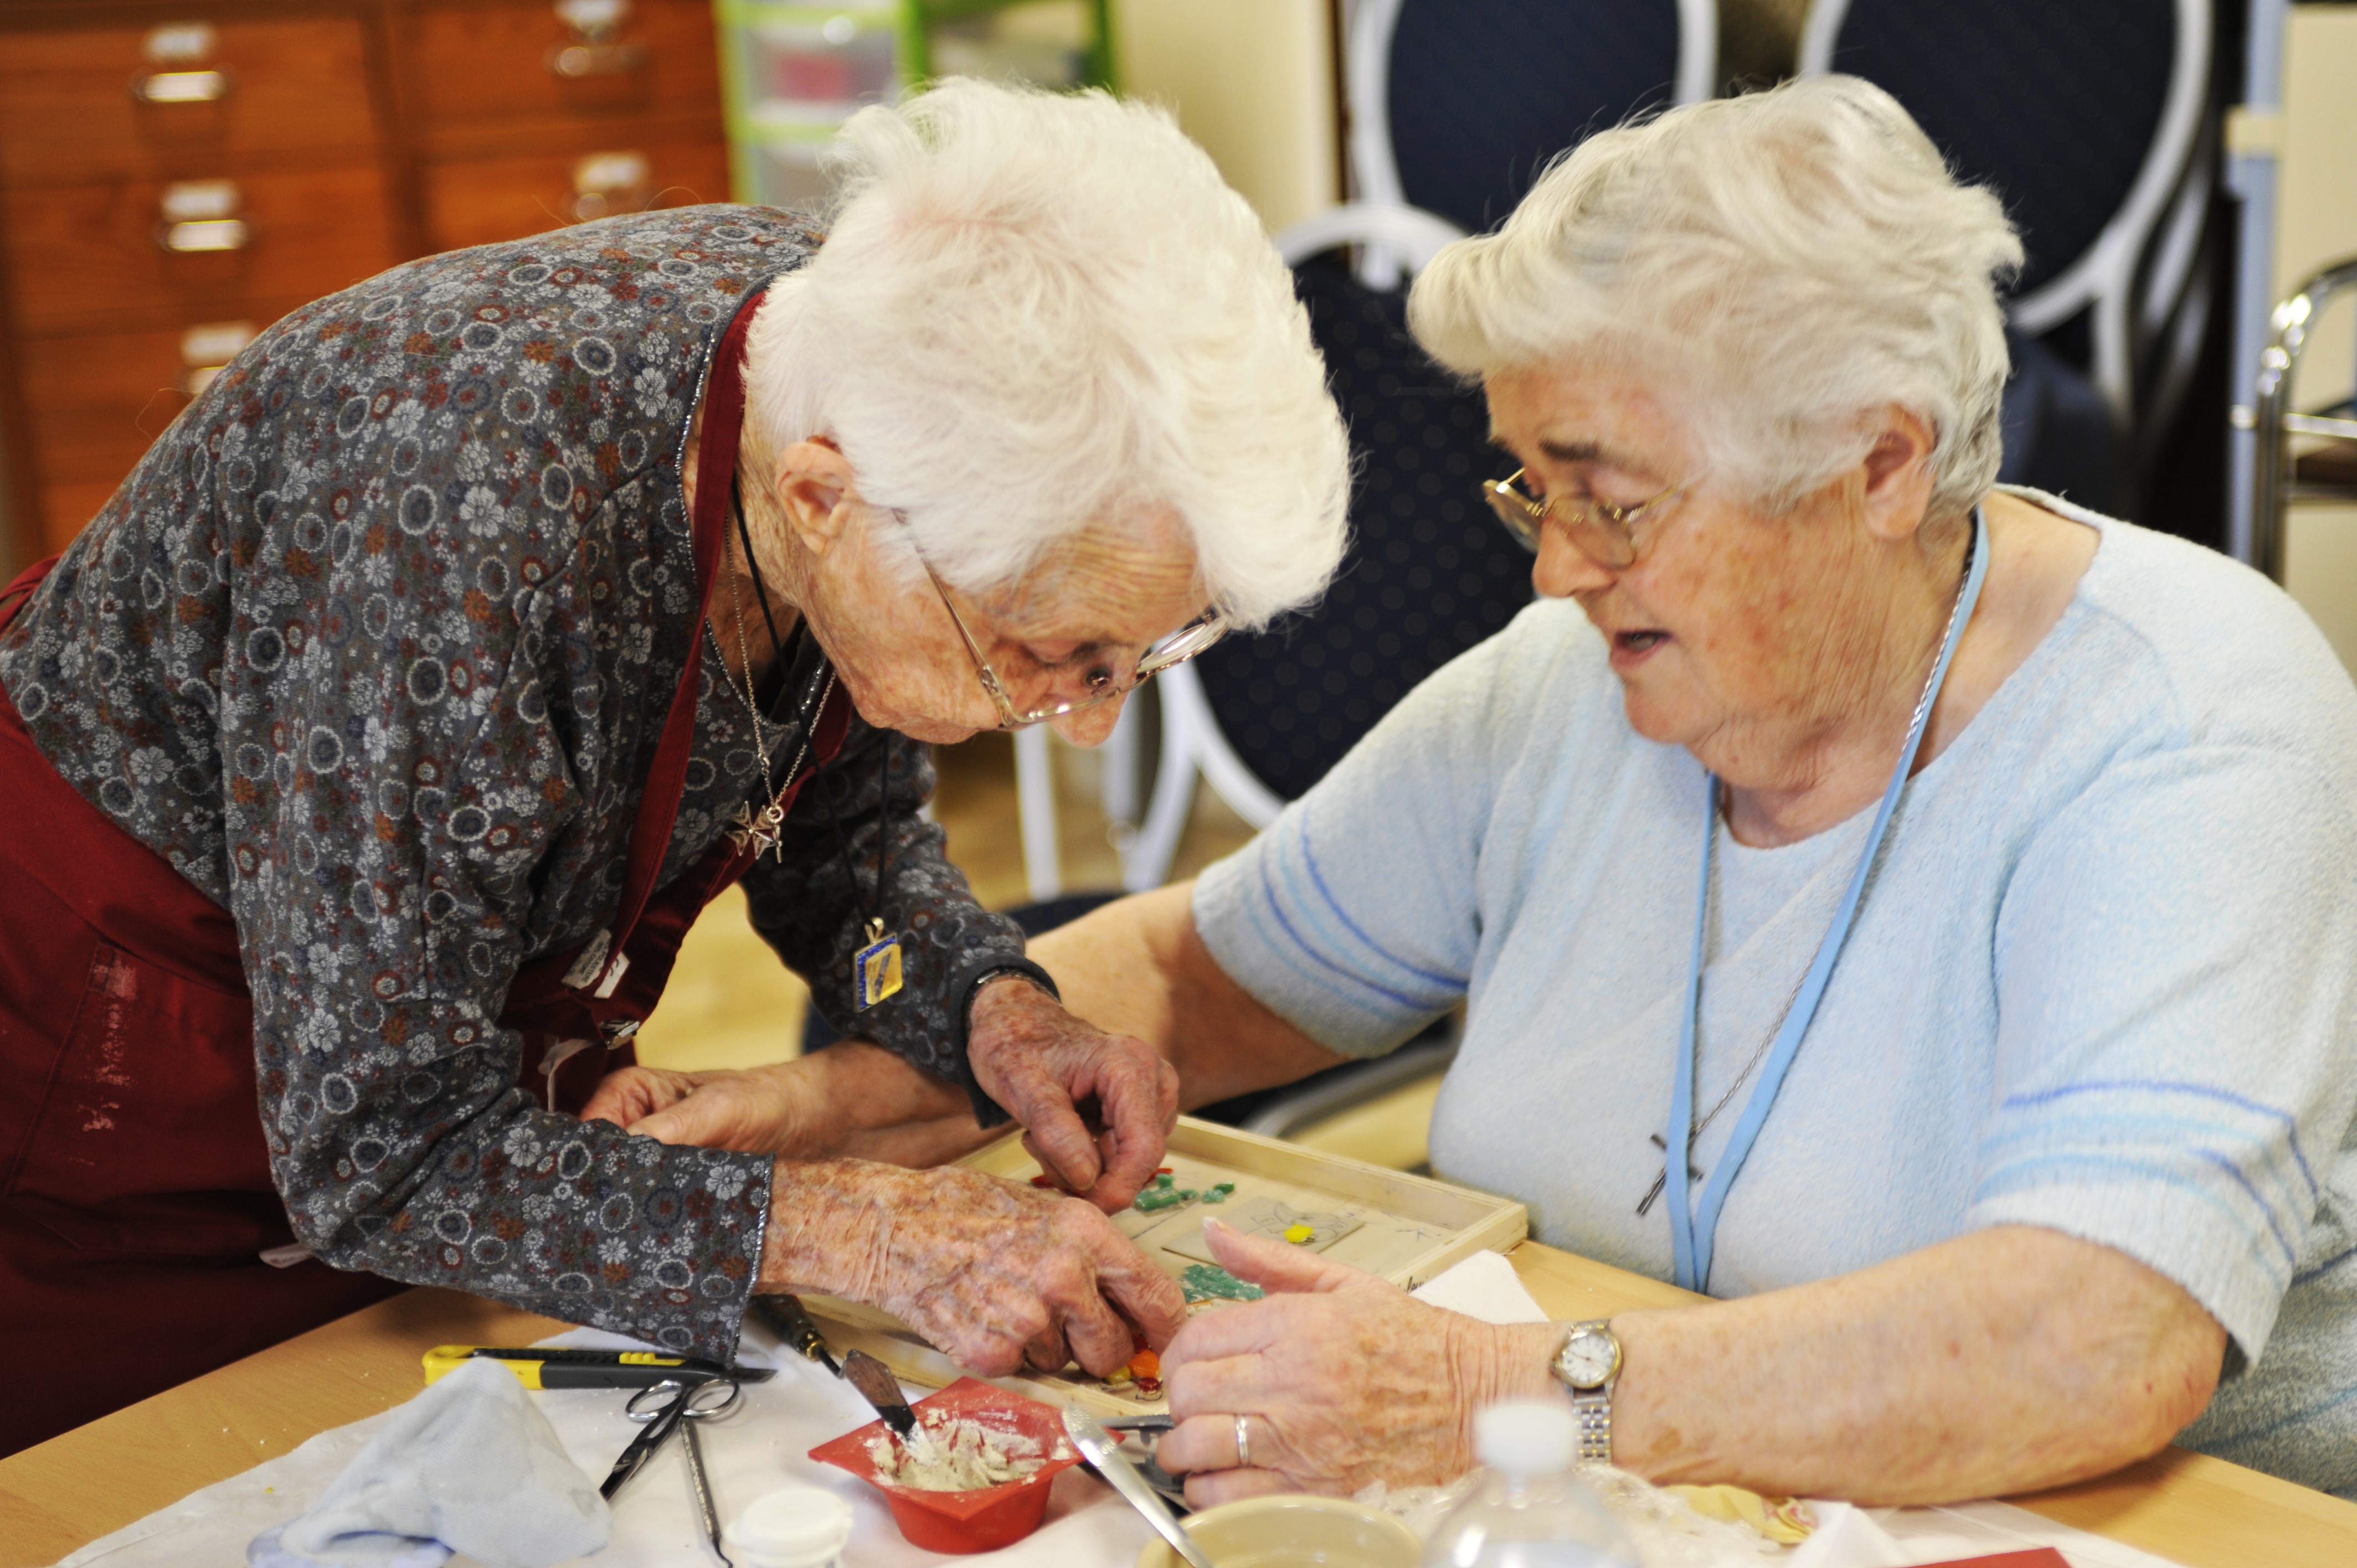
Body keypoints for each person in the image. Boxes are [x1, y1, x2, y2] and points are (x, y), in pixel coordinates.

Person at [604, 78, 2357, 1505]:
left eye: (1612, 499)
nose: (1553, 575)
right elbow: (1202, 982)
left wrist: (1501, 1395)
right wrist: (817, 1112)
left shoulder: (2190, 717)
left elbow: (2098, 1339)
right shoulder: (1573, 685)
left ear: (1877, 463)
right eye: (1536, 496)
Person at [0, 79, 1349, 1453]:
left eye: (1137, 657)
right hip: (123, 1060)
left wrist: (995, 1005)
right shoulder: (448, 533)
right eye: (1048, 654)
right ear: (824, 502)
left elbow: (833, 821)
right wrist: (866, 1227)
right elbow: (383, 1153)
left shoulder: (868, 369)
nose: (1087, 722)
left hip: (448, 1061)